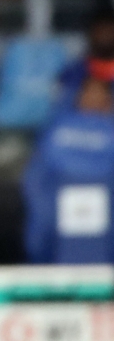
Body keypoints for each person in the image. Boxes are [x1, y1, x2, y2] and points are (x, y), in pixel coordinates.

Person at [24, 76, 114, 264]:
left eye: (99, 93)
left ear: (108, 99)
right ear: (79, 96)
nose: (93, 97)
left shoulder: (109, 127)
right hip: (58, 196)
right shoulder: (58, 125)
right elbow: (38, 174)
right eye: (89, 92)